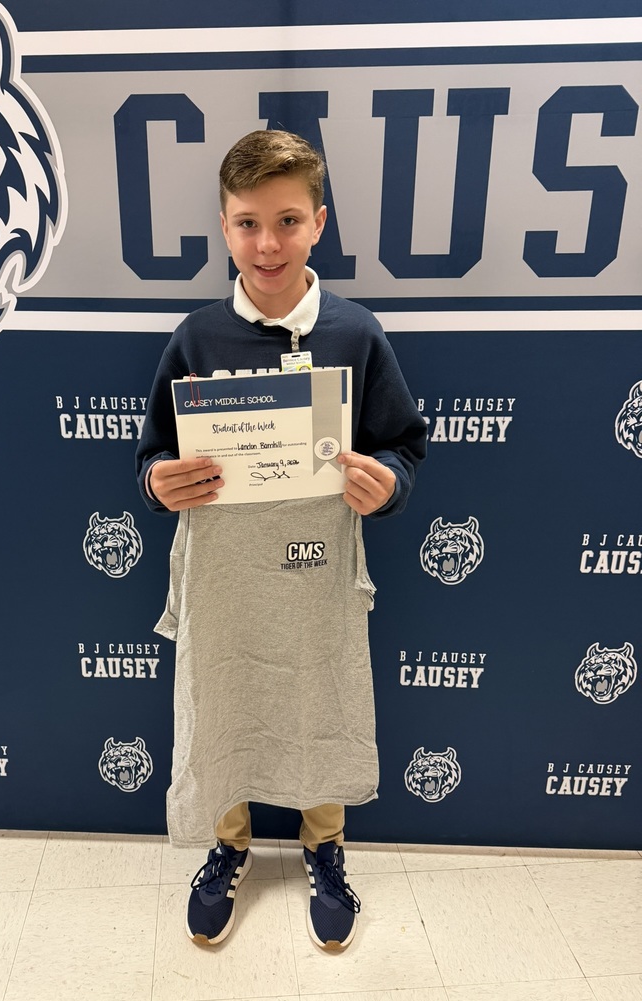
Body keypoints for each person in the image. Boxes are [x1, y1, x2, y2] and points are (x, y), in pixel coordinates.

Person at [136, 130, 427, 951]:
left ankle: (322, 843)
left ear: (319, 224)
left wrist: (390, 484)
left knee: (319, 695)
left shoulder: (355, 333)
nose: (268, 243)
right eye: (247, 223)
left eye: (288, 220)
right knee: (222, 698)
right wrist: (157, 481)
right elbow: (152, 451)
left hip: (316, 567)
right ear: (224, 229)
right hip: (222, 573)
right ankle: (226, 845)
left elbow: (404, 444)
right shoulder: (196, 337)